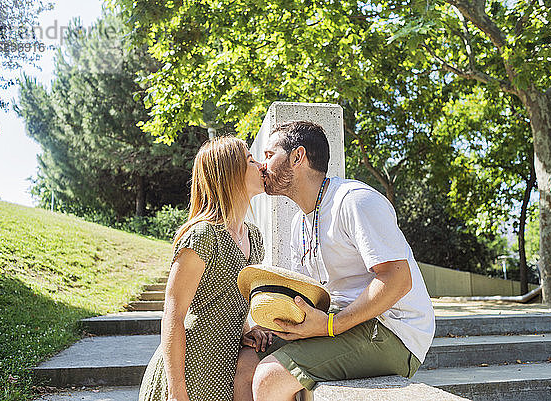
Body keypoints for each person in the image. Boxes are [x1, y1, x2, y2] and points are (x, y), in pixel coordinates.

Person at [236, 121, 435, 401]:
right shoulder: (299, 223)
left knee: (270, 377)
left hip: (392, 331)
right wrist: (273, 327)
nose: (262, 166)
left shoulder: (355, 201)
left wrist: (331, 326)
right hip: (340, 323)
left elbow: (398, 279)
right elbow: (309, 295)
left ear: (297, 157)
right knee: (248, 361)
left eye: (269, 156)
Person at [138, 136, 268, 401]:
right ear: (229, 174)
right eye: (251, 160)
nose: (261, 166)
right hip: (190, 373)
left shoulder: (254, 237)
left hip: (225, 370)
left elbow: (227, 302)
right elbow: (172, 317)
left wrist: (247, 331)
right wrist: (176, 394)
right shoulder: (202, 236)